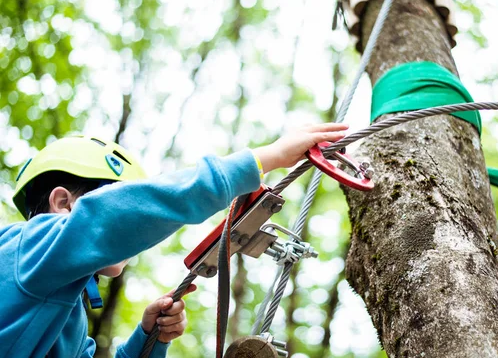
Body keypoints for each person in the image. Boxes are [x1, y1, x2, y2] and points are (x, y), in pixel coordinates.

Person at [0, 123, 348, 358]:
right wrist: (265, 159)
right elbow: (111, 217)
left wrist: (146, 340)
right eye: (118, 198)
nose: (127, 213)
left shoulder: (64, 312)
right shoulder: (23, 249)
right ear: (63, 204)